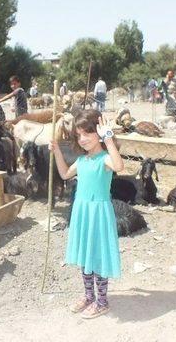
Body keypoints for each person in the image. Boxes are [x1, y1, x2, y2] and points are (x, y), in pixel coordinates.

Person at [50, 109, 124, 319]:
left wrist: (108, 138)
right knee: (85, 255)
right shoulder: (82, 161)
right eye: (78, 135)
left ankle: (102, 302)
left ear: (98, 133)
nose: (82, 139)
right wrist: (56, 150)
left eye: (87, 134)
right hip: (82, 211)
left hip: (98, 213)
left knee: (97, 256)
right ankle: (89, 296)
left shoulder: (105, 159)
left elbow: (119, 165)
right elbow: (64, 174)